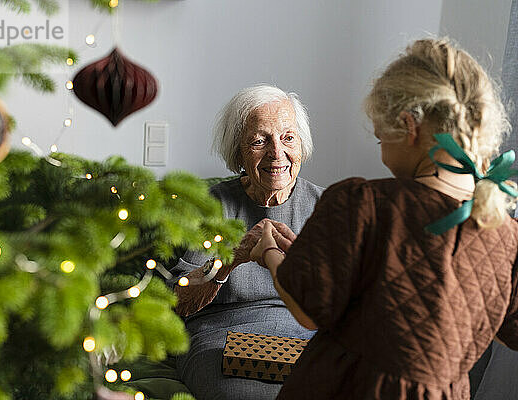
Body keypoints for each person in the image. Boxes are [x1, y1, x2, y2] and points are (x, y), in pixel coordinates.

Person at [250, 38, 518, 399]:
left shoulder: (362, 202)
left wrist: (269, 253)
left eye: (380, 140)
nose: (383, 157)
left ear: (409, 127)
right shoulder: (506, 233)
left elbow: (309, 311)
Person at [170, 85, 324, 400]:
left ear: (302, 145)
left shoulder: (325, 206)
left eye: (288, 138)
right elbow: (176, 302)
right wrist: (232, 257)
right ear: (238, 152)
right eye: (259, 140)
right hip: (220, 339)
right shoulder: (209, 208)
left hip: (307, 338)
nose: (277, 153)